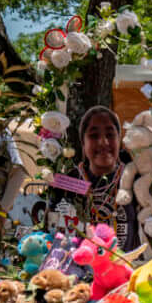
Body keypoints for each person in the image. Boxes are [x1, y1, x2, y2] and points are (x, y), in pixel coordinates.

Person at [46, 107, 141, 251]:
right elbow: (51, 226)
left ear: (119, 139)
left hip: (126, 267)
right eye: (94, 135)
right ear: (83, 143)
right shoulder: (68, 181)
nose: (103, 142)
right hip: (78, 267)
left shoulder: (133, 178)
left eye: (110, 135)